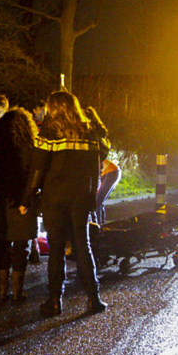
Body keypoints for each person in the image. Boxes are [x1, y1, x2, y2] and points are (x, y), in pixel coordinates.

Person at [22, 90, 110, 317]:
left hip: (55, 198)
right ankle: (93, 298)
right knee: (83, 246)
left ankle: (54, 301)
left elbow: (38, 167)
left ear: (54, 108)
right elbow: (101, 154)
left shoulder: (49, 132)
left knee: (57, 250)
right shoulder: (89, 133)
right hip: (81, 197)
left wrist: (28, 196)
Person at [0, 107, 39, 302]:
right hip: (22, 202)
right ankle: (18, 291)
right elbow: (34, 177)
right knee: (21, 246)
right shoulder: (31, 148)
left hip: (1, 201)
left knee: (1, 244)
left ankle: (2, 290)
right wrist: (27, 200)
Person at [94, 157, 122, 225]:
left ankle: (98, 225)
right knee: (100, 200)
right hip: (113, 171)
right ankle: (102, 223)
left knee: (97, 202)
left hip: (110, 172)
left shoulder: (89, 161)